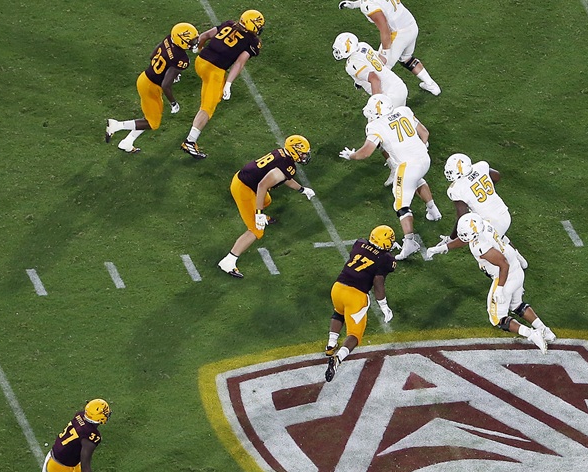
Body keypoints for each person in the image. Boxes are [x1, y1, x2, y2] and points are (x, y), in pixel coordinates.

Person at [428, 213, 554, 352]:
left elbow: (503, 265)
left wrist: (500, 288)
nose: (463, 236)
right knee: (517, 305)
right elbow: (467, 238)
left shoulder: (480, 246)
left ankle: (532, 334)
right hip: (516, 269)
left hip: (505, 276)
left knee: (497, 318)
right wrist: (444, 247)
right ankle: (545, 331)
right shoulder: (484, 225)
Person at [339, 94, 442, 261]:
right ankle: (433, 210)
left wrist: (352, 156)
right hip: (424, 159)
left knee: (401, 204)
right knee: (415, 180)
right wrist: (420, 149)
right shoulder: (404, 111)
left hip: (408, 166)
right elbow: (425, 133)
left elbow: (365, 153)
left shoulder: (375, 126)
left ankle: (410, 243)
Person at [217, 136, 315, 278]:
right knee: (257, 230)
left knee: (266, 199)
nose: (305, 156)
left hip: (245, 181)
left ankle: (259, 213)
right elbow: (263, 185)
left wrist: (302, 189)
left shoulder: (282, 154)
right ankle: (228, 261)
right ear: (294, 151)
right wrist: (259, 213)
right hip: (244, 188)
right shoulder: (287, 165)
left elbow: (284, 176)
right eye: (303, 153)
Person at [180, 10, 265, 159]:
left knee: (212, 95)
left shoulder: (229, 24)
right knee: (207, 107)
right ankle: (190, 142)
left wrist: (198, 47)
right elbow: (239, 63)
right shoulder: (253, 41)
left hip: (200, 62)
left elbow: (205, 36)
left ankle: (191, 140)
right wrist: (228, 84)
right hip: (215, 71)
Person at [105, 23, 198, 154]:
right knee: (153, 123)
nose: (195, 42)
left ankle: (127, 142)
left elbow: (152, 55)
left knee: (151, 115)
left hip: (145, 78)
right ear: (181, 40)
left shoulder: (168, 40)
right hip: (151, 87)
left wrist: (165, 72)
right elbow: (166, 85)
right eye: (191, 40)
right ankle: (117, 125)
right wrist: (173, 103)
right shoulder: (182, 59)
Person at [324, 225, 398, 382]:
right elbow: (378, 282)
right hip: (356, 296)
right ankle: (338, 358)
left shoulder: (359, 243)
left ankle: (331, 345)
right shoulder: (386, 259)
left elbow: (367, 253)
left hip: (337, 288)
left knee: (339, 312)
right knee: (355, 335)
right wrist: (384, 306)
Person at [434, 153, 527, 268]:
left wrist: (452, 238)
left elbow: (462, 218)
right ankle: (519, 259)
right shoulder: (481, 166)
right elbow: (496, 176)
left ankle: (513, 267)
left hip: (492, 221)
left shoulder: (456, 189)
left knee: (485, 252)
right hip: (504, 213)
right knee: (500, 237)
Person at [338, 0, 441, 96]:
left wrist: (385, 54)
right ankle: (431, 85)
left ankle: (383, 105)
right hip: (411, 25)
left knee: (380, 70)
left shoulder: (368, 6)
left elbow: (385, 30)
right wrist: (354, 5)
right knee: (406, 58)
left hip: (398, 33)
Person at [332, 31, 408, 109]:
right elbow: (381, 60)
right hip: (399, 86)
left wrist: (375, 103)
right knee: (401, 116)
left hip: (389, 95)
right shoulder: (363, 45)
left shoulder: (352, 64)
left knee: (378, 119)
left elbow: (375, 80)